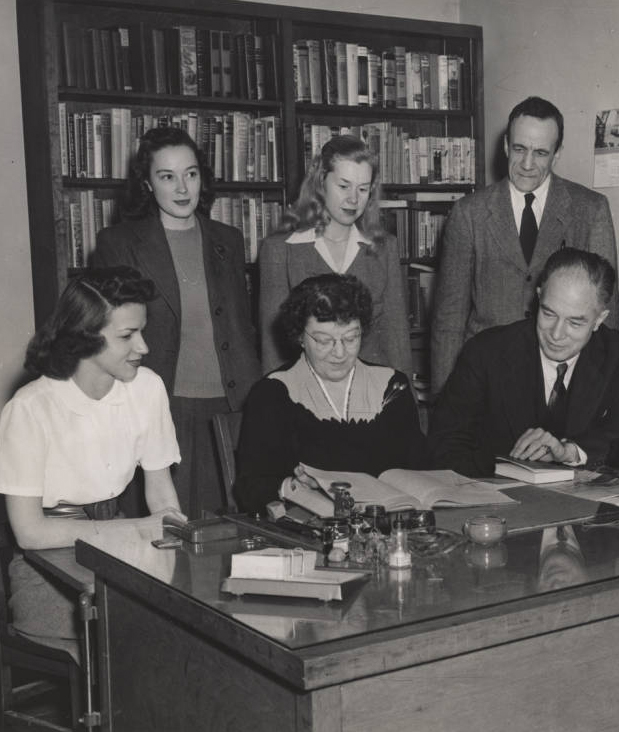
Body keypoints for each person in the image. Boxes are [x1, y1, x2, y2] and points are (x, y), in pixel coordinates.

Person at [0, 267, 183, 655]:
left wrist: (170, 528)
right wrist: (136, 529)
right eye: (127, 336)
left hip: (119, 548)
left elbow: (161, 493)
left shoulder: (147, 389)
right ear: (83, 338)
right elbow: (30, 533)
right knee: (127, 643)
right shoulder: (30, 408)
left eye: (142, 331)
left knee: (187, 626)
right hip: (44, 568)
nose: (143, 347)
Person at [92, 126, 260, 518]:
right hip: (163, 406)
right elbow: (107, 338)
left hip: (232, 406)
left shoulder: (229, 240)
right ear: (148, 184)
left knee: (236, 531)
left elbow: (242, 327)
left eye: (191, 173)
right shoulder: (119, 243)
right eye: (167, 176)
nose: (183, 188)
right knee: (172, 537)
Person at [430, 96, 619, 394]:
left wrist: (597, 393)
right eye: (519, 149)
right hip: (486, 379)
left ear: (557, 154)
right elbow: (449, 317)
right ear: (505, 145)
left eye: (541, 153)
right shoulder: (469, 213)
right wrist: (446, 398)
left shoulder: (590, 209)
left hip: (561, 380)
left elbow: (606, 312)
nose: (527, 164)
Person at [429, 248, 619, 478]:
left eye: (575, 323)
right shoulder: (486, 351)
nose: (556, 334)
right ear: (538, 296)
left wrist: (570, 451)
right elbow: (444, 443)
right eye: (548, 313)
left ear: (599, 320)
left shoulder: (615, 352)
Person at [235, 274, 426, 514]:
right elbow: (250, 486)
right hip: (311, 530)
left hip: (390, 520)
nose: (339, 352)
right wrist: (291, 487)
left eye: (351, 338)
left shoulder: (391, 386)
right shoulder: (273, 393)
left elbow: (417, 468)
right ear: (300, 337)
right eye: (324, 340)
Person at [258, 134, 412, 377]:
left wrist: (405, 404)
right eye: (343, 186)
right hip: (306, 394)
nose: (353, 199)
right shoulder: (280, 250)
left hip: (370, 392)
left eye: (363, 189)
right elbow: (273, 350)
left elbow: (397, 339)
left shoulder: (385, 249)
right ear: (320, 182)